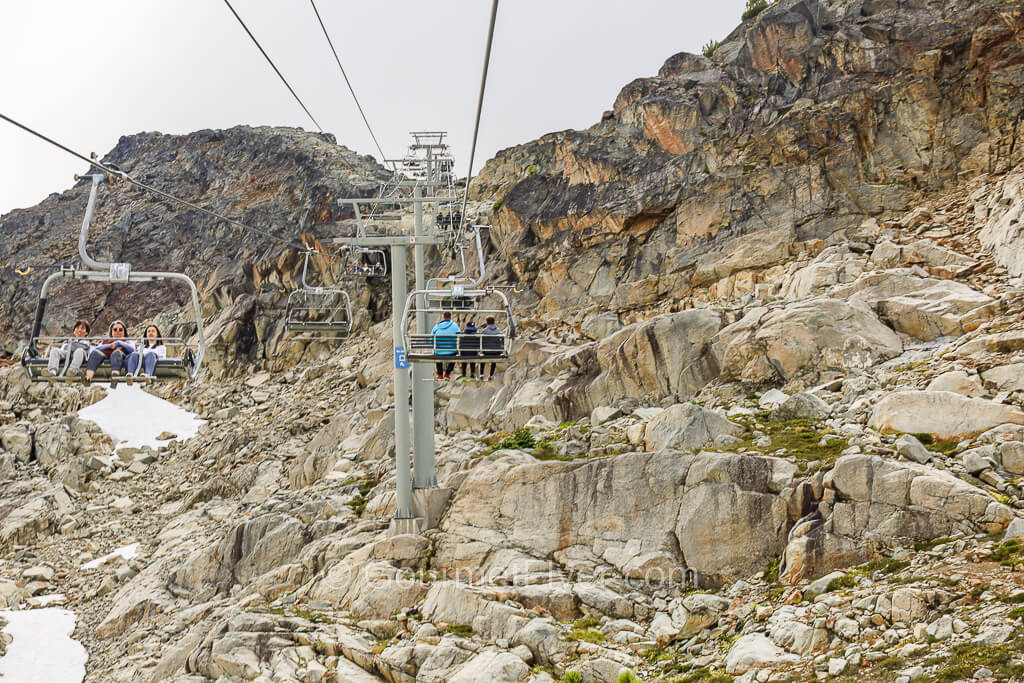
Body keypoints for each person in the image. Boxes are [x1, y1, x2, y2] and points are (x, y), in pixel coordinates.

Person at [85, 320, 135, 386]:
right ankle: (88, 377)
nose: (118, 331)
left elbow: (132, 349)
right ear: (111, 331)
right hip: (106, 357)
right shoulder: (106, 341)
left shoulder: (127, 341)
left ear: (124, 332)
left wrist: (119, 343)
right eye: (115, 329)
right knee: (95, 353)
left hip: (120, 358)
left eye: (120, 329)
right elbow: (96, 348)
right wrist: (109, 345)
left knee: (116, 352)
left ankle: (115, 376)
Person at [430, 311, 460, 380]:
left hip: (439, 352)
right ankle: (447, 374)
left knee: (437, 354)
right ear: (450, 317)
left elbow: (431, 339)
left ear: (443, 317)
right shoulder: (454, 325)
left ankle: (440, 375)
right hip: (451, 352)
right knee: (455, 355)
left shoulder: (436, 326)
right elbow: (459, 335)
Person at [480, 315, 503, 381]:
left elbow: (482, 342)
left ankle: (481, 374)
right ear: (494, 322)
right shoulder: (498, 331)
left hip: (486, 352)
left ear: (487, 323)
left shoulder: (484, 331)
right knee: (494, 360)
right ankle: (491, 375)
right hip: (496, 351)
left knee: (482, 358)